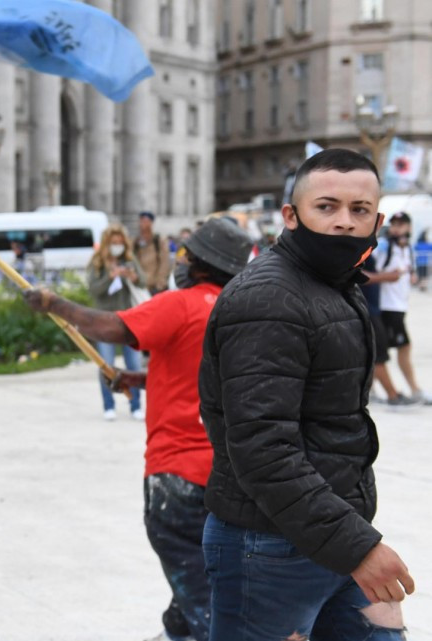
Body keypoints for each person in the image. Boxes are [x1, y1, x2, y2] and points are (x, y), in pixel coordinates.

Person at [199, 149, 414, 639]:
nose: (343, 222)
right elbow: (262, 449)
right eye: (327, 206)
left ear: (376, 219)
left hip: (331, 532)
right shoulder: (270, 297)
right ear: (291, 215)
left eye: (359, 211)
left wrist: (351, 540)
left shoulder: (334, 284)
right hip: (268, 546)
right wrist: (358, 546)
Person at [25, 218, 254, 641]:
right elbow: (209, 376)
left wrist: (54, 303)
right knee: (207, 575)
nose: (180, 261)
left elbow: (112, 327)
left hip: (178, 478)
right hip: (230, 477)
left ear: (198, 263)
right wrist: (146, 380)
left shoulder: (181, 302)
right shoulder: (241, 312)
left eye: (185, 254)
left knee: (203, 595)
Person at [86, 223, 144, 421]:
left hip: (129, 320)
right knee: (106, 365)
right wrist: (109, 278)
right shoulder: (97, 263)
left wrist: (132, 276)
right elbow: (94, 290)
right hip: (104, 321)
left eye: (120, 242)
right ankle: (108, 405)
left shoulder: (128, 259)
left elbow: (143, 282)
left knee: (133, 364)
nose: (117, 246)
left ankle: (135, 405)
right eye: (114, 243)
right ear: (107, 243)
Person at [375, 212, 430, 404]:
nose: (396, 228)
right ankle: (414, 389)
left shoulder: (408, 249)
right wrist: (387, 276)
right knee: (401, 348)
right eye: (394, 224)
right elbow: (373, 271)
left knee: (381, 350)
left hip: (400, 306)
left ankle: (371, 390)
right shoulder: (385, 247)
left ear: (409, 227)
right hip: (387, 306)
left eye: (401, 224)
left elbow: (408, 272)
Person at [359, 251, 416, 407]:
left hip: (376, 307)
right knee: (378, 356)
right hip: (367, 309)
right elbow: (355, 274)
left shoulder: (371, 246)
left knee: (375, 354)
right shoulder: (358, 245)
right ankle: (393, 395)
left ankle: (369, 393)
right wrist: (385, 277)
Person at [136, 212, 172, 295]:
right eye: (141, 221)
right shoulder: (136, 242)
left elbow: (164, 263)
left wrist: (160, 283)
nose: (143, 224)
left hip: (154, 286)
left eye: (146, 221)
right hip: (139, 285)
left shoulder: (159, 241)